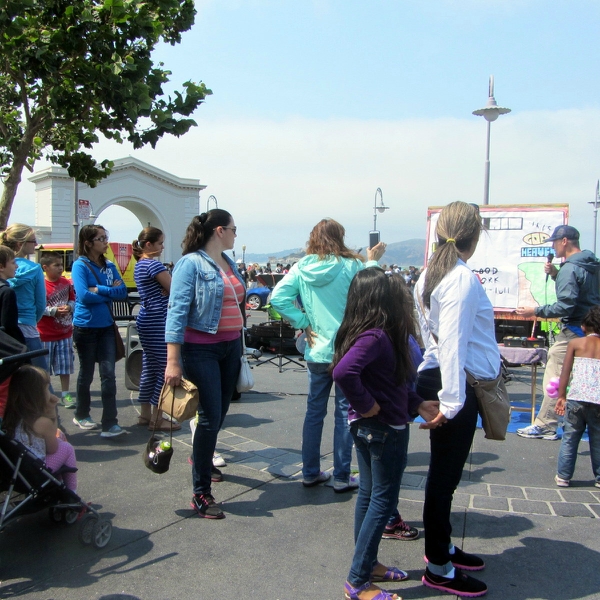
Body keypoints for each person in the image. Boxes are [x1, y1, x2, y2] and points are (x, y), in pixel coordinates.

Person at [332, 269, 438, 600]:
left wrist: (418, 403)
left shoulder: (368, 332)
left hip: (370, 428)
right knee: (383, 499)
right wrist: (366, 405)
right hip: (382, 430)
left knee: (369, 495)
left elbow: (390, 382)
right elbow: (343, 372)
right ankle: (358, 579)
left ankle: (368, 564)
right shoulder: (377, 336)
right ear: (384, 300)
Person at [415, 201, 499, 597]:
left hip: (446, 379)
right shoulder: (461, 279)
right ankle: (437, 566)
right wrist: (451, 402)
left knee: (442, 478)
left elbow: (430, 339)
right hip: (455, 385)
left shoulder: (431, 275)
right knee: (443, 480)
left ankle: (443, 547)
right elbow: (450, 344)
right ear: (474, 236)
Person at [270, 218, 385, 493]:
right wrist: (373, 261)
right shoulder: (352, 264)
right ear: (340, 237)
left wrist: (302, 322)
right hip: (348, 349)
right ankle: (342, 476)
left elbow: (277, 298)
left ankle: (310, 471)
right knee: (345, 413)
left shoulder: (302, 267)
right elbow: (373, 289)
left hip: (317, 349)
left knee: (314, 412)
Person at [165, 210, 245, 520]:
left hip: (230, 347)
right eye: (235, 229)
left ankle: (202, 459)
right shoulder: (191, 264)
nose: (237, 235)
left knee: (219, 413)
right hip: (201, 350)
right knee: (210, 416)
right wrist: (173, 362)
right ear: (220, 230)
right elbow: (177, 313)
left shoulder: (230, 263)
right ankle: (200, 492)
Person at [516, 225, 600, 440]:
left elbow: (566, 306)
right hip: (592, 328)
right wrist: (556, 275)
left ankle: (546, 423)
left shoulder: (570, 269)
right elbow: (583, 294)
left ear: (564, 241)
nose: (552, 246)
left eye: (554, 242)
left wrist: (534, 311)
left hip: (573, 330)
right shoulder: (592, 264)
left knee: (555, 377)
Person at [71, 225, 127, 437]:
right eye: (100, 238)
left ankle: (110, 422)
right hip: (85, 327)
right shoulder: (80, 265)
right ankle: (82, 413)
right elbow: (83, 296)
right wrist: (109, 293)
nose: (105, 242)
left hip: (106, 328)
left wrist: (101, 290)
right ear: (88, 243)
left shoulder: (109, 265)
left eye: (106, 237)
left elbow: (122, 292)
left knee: (108, 374)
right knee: (86, 374)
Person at [132, 227, 180, 432]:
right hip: (160, 317)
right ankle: (157, 417)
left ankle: (145, 414)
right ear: (148, 244)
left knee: (149, 366)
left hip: (146, 316)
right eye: (160, 243)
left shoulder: (140, 265)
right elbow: (175, 289)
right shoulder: (153, 265)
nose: (162, 247)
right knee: (164, 368)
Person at [2, 365, 78, 491]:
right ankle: (71, 493)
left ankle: (57, 489)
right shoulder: (42, 422)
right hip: (35, 475)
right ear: (36, 394)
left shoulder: (11, 417)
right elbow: (53, 449)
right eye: (47, 389)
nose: (50, 393)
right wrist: (51, 410)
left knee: (59, 437)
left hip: (15, 474)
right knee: (66, 447)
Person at [554, 305, 600, 489]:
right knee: (597, 439)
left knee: (570, 438)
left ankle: (563, 476)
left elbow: (565, 372)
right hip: (598, 400)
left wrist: (561, 396)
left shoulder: (575, 344)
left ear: (583, 326)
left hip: (576, 398)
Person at [1, 224, 48, 369]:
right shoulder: (34, 268)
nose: (36, 244)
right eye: (33, 241)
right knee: (39, 377)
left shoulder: (4, 268)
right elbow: (40, 304)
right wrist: (33, 320)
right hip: (27, 325)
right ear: (20, 244)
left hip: (4, 331)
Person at [37, 252, 76, 409]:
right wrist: (52, 311)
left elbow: (72, 299)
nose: (60, 268)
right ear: (45, 267)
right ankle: (45, 394)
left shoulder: (66, 283)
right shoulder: (40, 285)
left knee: (65, 366)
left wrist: (69, 307)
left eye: (61, 264)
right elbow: (38, 306)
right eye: (57, 265)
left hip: (65, 332)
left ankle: (65, 394)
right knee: (43, 369)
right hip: (45, 334)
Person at [0, 245, 25, 343]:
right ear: (1, 267)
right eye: (13, 262)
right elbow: (9, 327)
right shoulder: (7, 292)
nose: (16, 266)